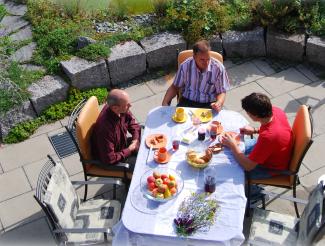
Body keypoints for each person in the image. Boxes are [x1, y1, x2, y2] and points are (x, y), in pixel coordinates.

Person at [221, 92, 294, 179]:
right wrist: (255, 130)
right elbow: (275, 131)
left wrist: (232, 145)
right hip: (274, 149)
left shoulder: (267, 137)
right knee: (235, 148)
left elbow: (248, 166)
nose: (247, 114)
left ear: (255, 116)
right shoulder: (276, 111)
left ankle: (253, 191)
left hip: (271, 167)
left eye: (248, 113)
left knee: (233, 171)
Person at [162, 40, 230, 112]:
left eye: (208, 59)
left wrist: (219, 103)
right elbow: (175, 87)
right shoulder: (185, 66)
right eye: (202, 60)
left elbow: (221, 91)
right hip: (187, 102)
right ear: (194, 57)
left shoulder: (218, 68)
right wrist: (165, 102)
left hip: (208, 104)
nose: (206, 63)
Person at [91, 89, 141, 171]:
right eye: (127, 105)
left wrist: (135, 140)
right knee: (140, 167)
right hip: (110, 161)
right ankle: (128, 180)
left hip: (121, 146)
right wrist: (130, 150)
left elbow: (132, 123)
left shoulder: (120, 109)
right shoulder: (105, 129)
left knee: (146, 147)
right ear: (115, 108)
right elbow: (110, 159)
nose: (130, 106)